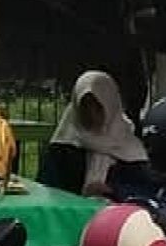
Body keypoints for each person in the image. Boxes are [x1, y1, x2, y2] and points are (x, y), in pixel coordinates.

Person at [38, 69, 151, 198]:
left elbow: (145, 192)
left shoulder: (131, 150)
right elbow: (47, 189)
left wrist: (113, 191)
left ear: (110, 105)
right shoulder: (63, 147)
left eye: (98, 107)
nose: (91, 114)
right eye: (85, 106)